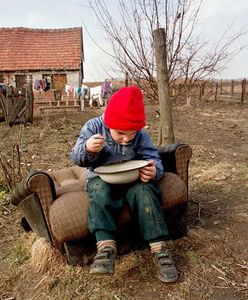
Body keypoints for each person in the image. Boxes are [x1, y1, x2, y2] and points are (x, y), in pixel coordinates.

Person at [70, 85, 178, 283]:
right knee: (100, 192)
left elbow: (154, 158)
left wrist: (155, 171)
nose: (127, 138)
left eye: (132, 134)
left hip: (132, 178)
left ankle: (159, 248)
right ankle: (105, 248)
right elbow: (76, 157)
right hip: (101, 178)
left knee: (146, 190)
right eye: (120, 133)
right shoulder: (93, 127)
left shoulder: (140, 135)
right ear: (109, 122)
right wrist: (88, 149)